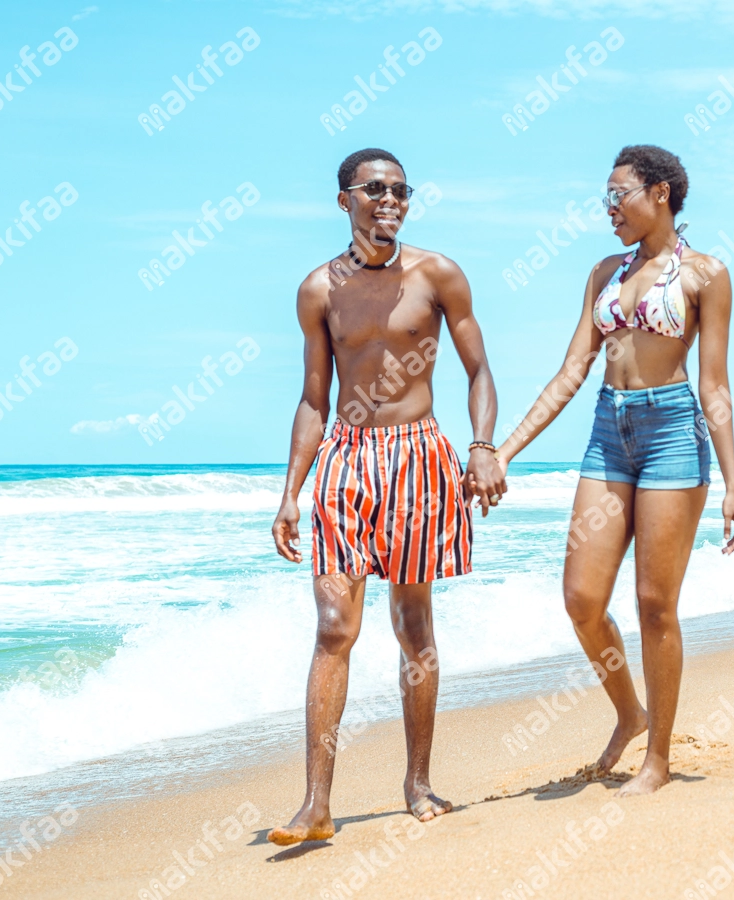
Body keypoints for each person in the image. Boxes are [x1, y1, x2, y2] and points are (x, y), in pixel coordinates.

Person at [267, 148, 506, 844]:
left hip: (419, 455)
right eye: (376, 189)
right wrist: (290, 492)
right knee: (334, 626)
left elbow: (478, 368)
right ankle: (315, 804)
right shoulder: (319, 289)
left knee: (413, 626)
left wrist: (483, 446)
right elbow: (314, 399)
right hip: (347, 459)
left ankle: (418, 780)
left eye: (402, 190)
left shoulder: (438, 275)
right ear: (345, 199)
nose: (391, 200)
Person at [495, 145, 734, 796]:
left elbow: (714, 384)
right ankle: (628, 712)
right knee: (582, 597)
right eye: (604, 199)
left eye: (619, 195)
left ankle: (657, 759)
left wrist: (733, 487)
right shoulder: (604, 272)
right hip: (611, 431)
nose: (609, 210)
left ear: (659, 193)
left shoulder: (705, 275)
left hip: (671, 434)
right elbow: (573, 369)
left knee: (654, 605)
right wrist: (504, 450)